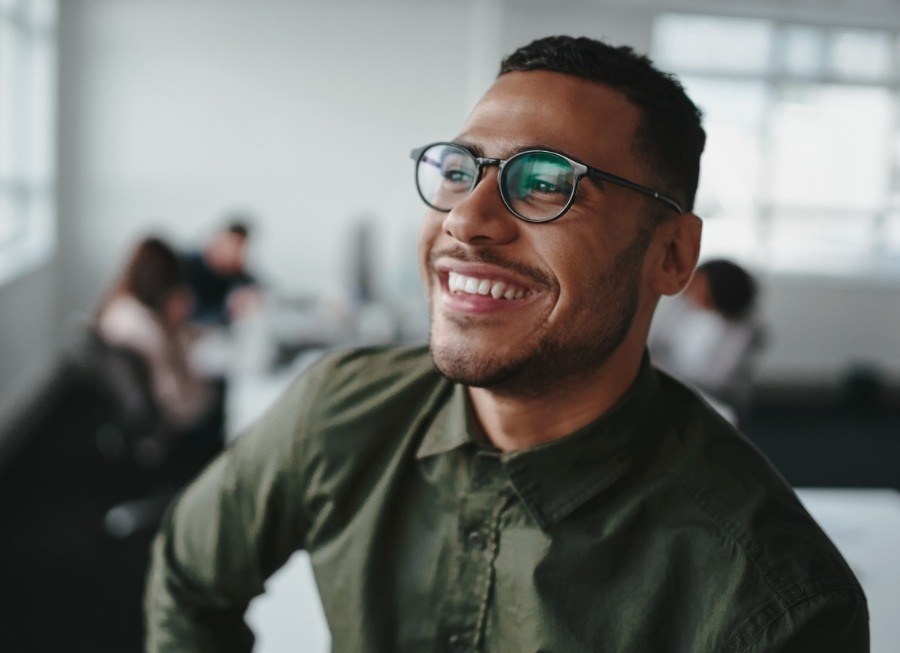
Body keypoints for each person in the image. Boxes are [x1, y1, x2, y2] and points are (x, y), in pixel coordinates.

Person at [145, 36, 868, 651]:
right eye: (461, 169)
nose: (466, 218)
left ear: (673, 255)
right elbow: (188, 579)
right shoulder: (338, 409)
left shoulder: (771, 600)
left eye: (548, 182)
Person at [97, 237, 216, 433]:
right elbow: (173, 393)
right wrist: (175, 327)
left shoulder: (119, 306)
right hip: (168, 415)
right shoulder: (145, 327)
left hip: (133, 407)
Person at [649, 258, 763, 410]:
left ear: (719, 288)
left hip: (708, 398)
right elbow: (657, 343)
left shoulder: (741, 329)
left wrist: (662, 369)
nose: (689, 286)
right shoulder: (682, 306)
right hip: (666, 383)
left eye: (698, 283)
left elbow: (716, 379)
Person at [182, 219, 260, 326]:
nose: (234, 253)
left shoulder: (238, 277)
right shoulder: (188, 265)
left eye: (240, 248)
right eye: (232, 245)